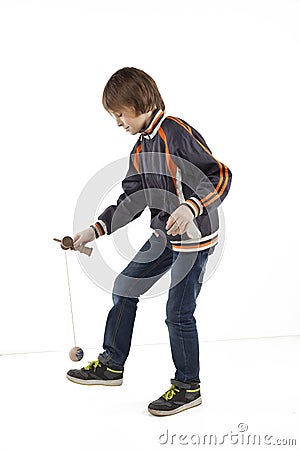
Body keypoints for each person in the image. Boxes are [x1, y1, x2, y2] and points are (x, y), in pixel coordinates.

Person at [66, 67, 232, 416]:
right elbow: (132, 201)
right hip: (163, 235)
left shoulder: (177, 132)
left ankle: (188, 386)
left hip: (195, 238)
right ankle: (112, 365)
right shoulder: (140, 148)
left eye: (119, 114)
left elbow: (220, 174)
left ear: (138, 101)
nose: (118, 122)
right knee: (125, 286)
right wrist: (93, 230)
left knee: (178, 312)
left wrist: (192, 206)